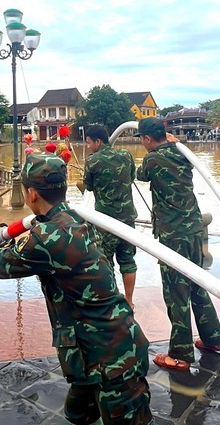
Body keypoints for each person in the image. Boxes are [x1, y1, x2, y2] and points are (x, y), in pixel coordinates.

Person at [0, 153, 152, 424]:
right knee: (78, 413)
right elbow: (33, 241)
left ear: (31, 194)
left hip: (112, 357)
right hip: (96, 347)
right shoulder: (76, 220)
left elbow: (0, 264)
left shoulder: (46, 239)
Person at [135, 117, 220, 371]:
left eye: (142, 140)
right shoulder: (182, 153)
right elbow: (189, 160)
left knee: (176, 294)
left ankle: (180, 354)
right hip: (195, 230)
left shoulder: (151, 159)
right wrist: (177, 143)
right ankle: (213, 339)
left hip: (173, 236)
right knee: (197, 285)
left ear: (147, 139)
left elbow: (140, 175)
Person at [79, 124, 139, 308]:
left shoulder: (92, 161)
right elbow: (132, 176)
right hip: (128, 218)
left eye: (89, 142)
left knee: (106, 262)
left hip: (106, 221)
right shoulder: (126, 155)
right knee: (128, 260)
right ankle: (129, 300)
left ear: (98, 141)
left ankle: (114, 301)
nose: (88, 146)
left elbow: (88, 186)